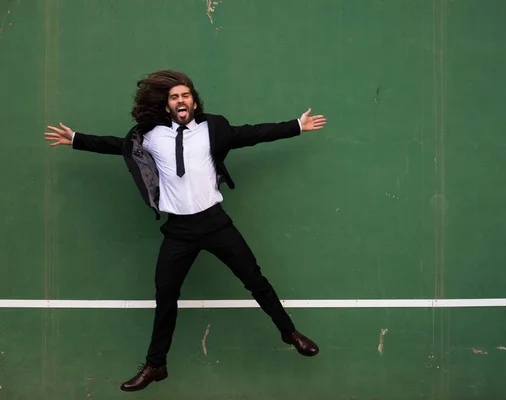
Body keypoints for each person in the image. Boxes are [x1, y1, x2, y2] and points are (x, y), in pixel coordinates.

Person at [44, 70, 327, 392]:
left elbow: (252, 134)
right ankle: (156, 365)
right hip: (179, 230)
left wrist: (297, 126)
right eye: (175, 97)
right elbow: (117, 146)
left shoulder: (213, 128)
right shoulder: (149, 136)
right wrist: (76, 139)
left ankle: (290, 333)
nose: (181, 101)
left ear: (194, 101)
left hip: (215, 223)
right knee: (165, 295)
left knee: (255, 280)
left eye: (186, 95)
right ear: (167, 105)